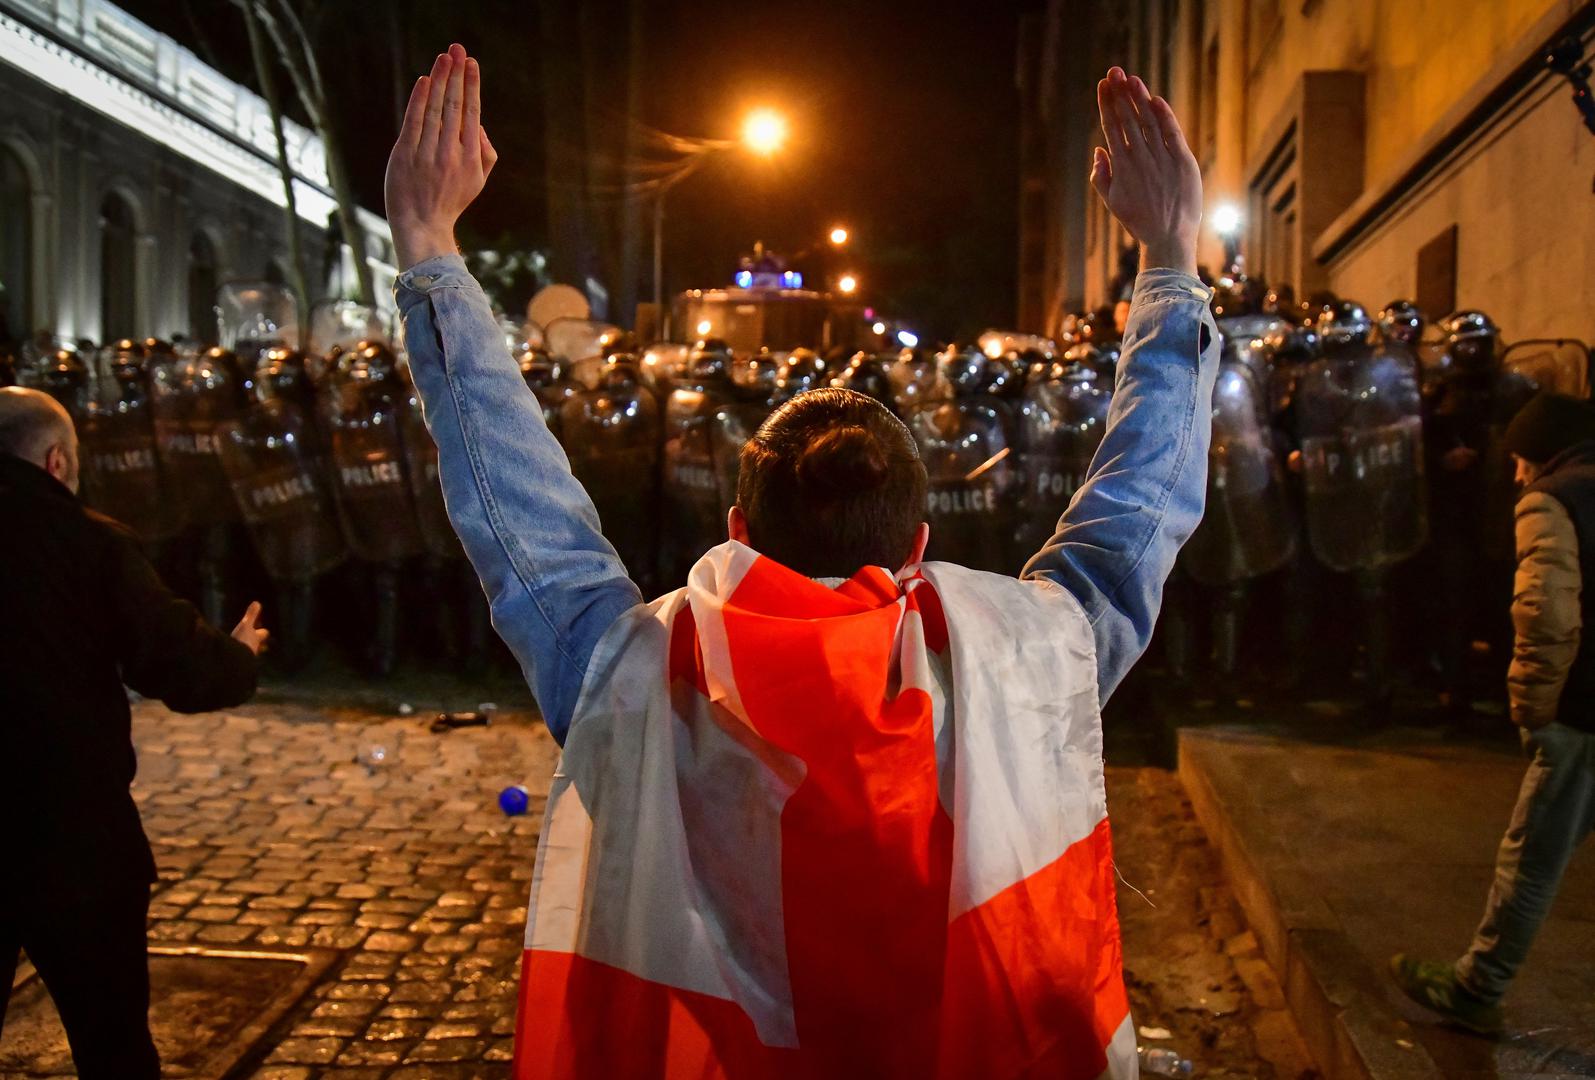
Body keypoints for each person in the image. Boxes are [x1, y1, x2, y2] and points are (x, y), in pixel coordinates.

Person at [385, 46, 1214, 1078]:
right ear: (918, 546)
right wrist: (1170, 262)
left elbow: (509, 503)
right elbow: (1140, 509)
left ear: (734, 525)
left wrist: (430, 248)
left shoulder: (631, 676)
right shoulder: (1021, 671)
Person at [0, 386, 266, 1078]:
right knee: (111, 1041)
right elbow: (179, 665)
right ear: (57, 460)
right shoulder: (85, 542)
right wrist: (237, 656)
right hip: (70, 836)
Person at [1391, 392, 1595, 1036]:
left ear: (1540, 454)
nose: (1512, 474)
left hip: (1584, 709)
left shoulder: (1554, 500)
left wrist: (1538, 713)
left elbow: (1545, 612)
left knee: (1534, 857)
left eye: (1517, 459)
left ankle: (1478, 987)